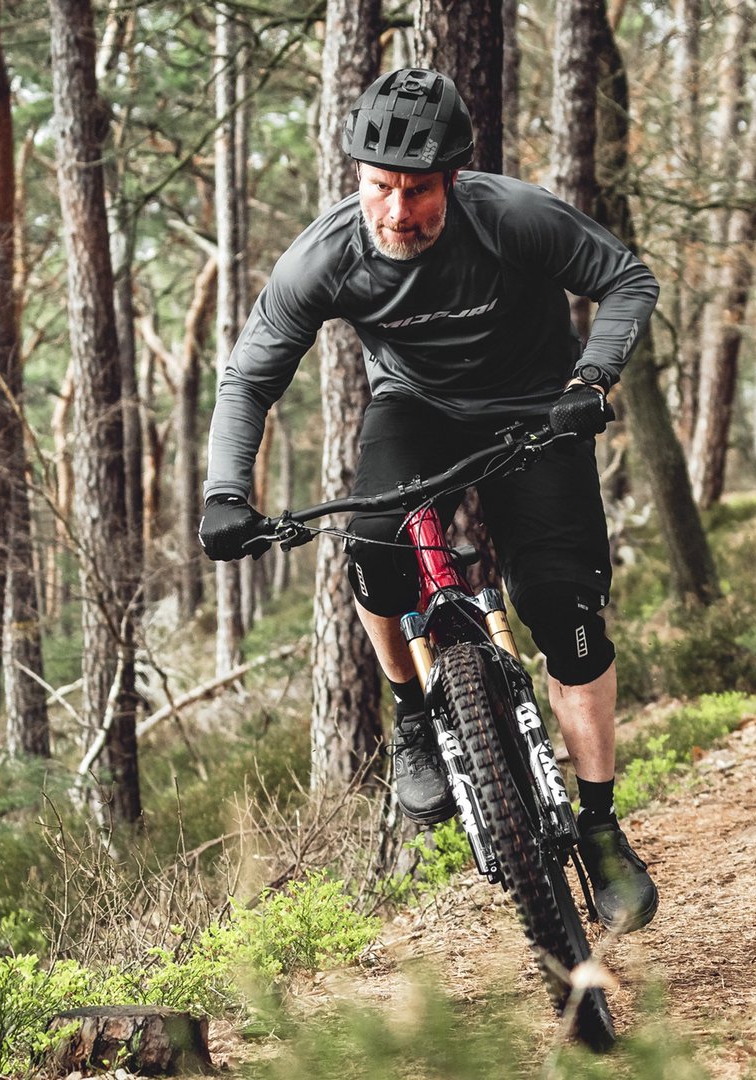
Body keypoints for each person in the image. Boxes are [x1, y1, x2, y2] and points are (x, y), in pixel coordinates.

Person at [197, 68, 657, 933]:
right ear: (357, 180)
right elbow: (250, 376)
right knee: (372, 547)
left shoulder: (513, 216)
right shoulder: (325, 255)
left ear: (451, 179)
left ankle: (599, 827)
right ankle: (413, 712)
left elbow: (627, 280)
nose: (397, 212)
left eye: (416, 191)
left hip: (536, 410)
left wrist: (592, 379)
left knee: (562, 607)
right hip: (415, 410)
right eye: (379, 189)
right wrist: (226, 489)